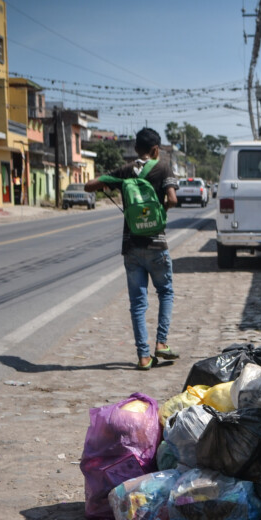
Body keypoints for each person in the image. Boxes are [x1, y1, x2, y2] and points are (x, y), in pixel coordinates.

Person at [85, 127, 180, 370]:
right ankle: (161, 343)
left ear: (136, 149)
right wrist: (159, 216)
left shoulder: (125, 171)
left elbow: (90, 185)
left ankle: (143, 357)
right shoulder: (163, 168)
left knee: (138, 303)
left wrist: (109, 185)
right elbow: (172, 199)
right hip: (157, 244)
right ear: (156, 149)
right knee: (165, 292)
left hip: (132, 247)